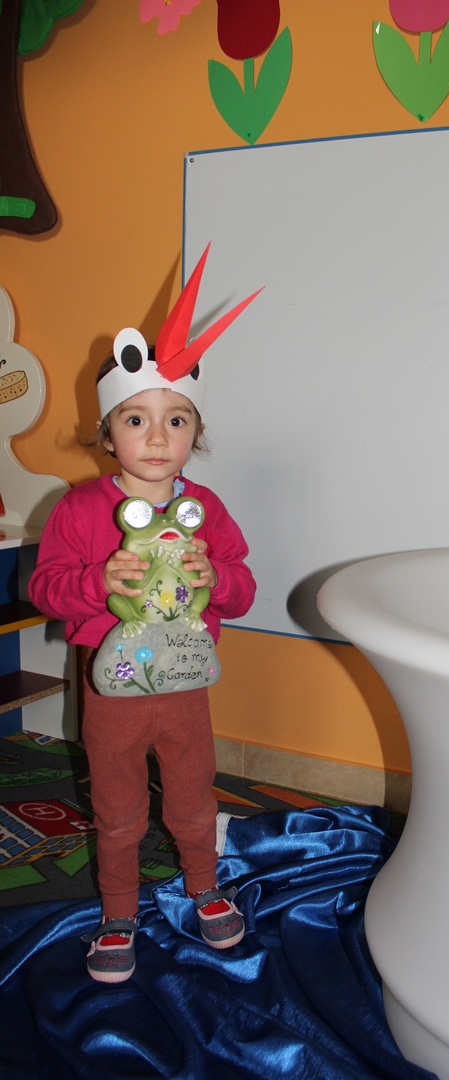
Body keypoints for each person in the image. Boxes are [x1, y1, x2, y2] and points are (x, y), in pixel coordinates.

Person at [29, 260, 260, 983]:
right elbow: (44, 589)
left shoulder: (207, 510)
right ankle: (119, 911)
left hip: (185, 685)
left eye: (176, 420)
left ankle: (204, 886)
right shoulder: (77, 509)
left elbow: (244, 589)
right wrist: (97, 582)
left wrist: (215, 578)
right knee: (119, 804)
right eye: (137, 419)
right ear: (107, 432)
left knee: (193, 793)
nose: (157, 437)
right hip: (114, 690)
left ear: (196, 433)